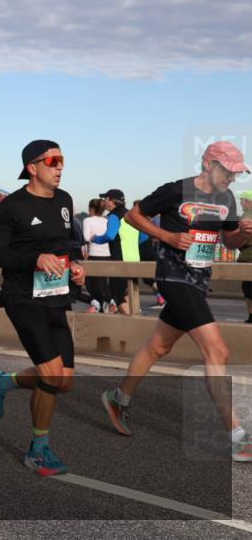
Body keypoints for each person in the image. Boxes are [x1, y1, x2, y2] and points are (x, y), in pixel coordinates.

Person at [101, 141, 252, 461]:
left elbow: (229, 239)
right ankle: (237, 436)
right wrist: (167, 237)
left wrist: (243, 232)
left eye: (237, 174)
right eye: (229, 171)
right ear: (209, 165)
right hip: (172, 277)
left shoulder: (225, 199)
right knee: (218, 350)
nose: (232, 179)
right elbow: (133, 216)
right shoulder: (175, 191)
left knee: (158, 347)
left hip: (199, 281)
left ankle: (119, 398)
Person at [0, 139, 86, 477]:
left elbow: (66, 243)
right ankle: (38, 450)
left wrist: (75, 265)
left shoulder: (66, 200)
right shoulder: (11, 206)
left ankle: (3, 382)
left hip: (55, 297)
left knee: (64, 381)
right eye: (53, 160)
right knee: (52, 375)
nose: (60, 167)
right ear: (32, 167)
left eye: (62, 160)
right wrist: (35, 259)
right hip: (22, 297)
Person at [91, 189, 130, 314]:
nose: (104, 201)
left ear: (112, 201)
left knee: (118, 296)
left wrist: (95, 238)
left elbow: (110, 236)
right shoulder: (128, 213)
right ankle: (135, 317)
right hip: (132, 257)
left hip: (119, 259)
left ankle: (132, 324)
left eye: (105, 198)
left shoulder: (114, 215)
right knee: (128, 293)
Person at [82, 198, 114, 313]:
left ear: (91, 209)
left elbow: (86, 237)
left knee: (92, 285)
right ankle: (109, 304)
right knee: (104, 283)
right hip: (107, 255)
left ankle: (99, 306)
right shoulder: (106, 220)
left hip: (94, 255)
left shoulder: (87, 220)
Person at [240, 191, 252, 324]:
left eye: (242, 200)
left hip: (249, 258)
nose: (240, 203)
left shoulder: (247, 216)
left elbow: (242, 239)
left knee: (249, 290)